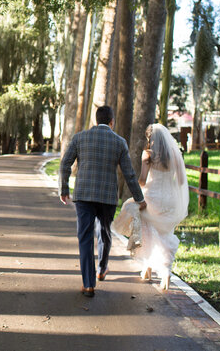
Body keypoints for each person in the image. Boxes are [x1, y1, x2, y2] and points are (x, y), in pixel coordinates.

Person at [59, 105, 145, 297]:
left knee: (85, 237)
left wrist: (64, 189)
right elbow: (130, 174)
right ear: (112, 122)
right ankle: (101, 269)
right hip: (107, 197)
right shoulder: (119, 142)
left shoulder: (80, 138)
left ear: (95, 121)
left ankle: (88, 284)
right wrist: (140, 198)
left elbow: (65, 163)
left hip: (84, 196)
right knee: (105, 233)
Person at [128, 123, 189, 290]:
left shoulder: (148, 155)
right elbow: (182, 181)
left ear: (151, 139)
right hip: (170, 199)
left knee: (149, 233)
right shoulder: (175, 156)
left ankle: (147, 267)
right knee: (165, 233)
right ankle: (165, 271)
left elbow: (142, 179)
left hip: (152, 196)